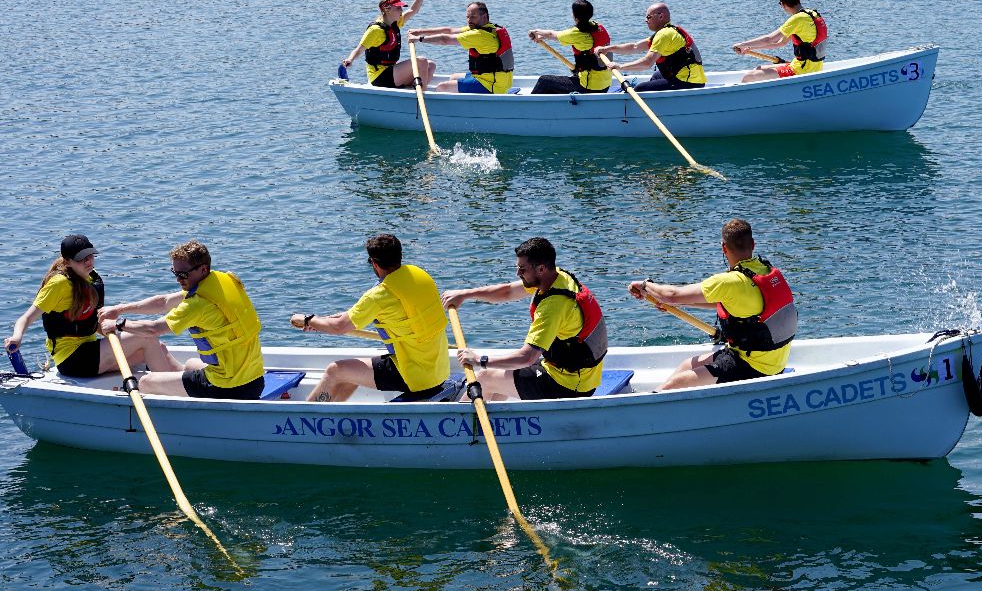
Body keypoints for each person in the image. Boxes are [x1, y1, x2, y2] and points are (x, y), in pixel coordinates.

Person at [628, 219, 797, 391]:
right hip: (769, 360)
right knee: (686, 366)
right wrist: (675, 304)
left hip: (754, 366)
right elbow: (726, 303)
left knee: (675, 384)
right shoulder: (765, 270)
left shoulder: (729, 281)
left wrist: (644, 285)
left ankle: (647, 409)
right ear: (753, 244)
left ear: (724, 248)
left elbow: (672, 295)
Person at [441, 238, 607, 401]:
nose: (518, 273)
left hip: (567, 386)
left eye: (522, 269)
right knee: (502, 374)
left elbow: (527, 358)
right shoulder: (556, 276)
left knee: (485, 376)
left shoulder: (553, 306)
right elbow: (507, 292)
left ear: (541, 268)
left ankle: (456, 425)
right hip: (576, 376)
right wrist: (465, 294)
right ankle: (496, 424)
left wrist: (479, 360)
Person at [291, 235, 451, 402]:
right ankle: (329, 418)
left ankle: (303, 421)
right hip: (437, 368)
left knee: (335, 370)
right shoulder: (418, 275)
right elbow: (353, 316)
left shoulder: (379, 295)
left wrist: (308, 319)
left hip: (414, 375)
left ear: (374, 263)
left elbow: (339, 326)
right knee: (350, 372)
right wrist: (322, 322)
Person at [98, 241, 266, 399]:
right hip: (255, 380)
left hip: (228, 387)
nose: (179, 280)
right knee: (192, 364)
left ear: (203, 269)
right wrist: (119, 309)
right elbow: (163, 302)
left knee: (145, 382)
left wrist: (118, 324)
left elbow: (153, 329)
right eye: (175, 274)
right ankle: (179, 388)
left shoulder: (197, 305)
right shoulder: (220, 283)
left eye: (183, 275)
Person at [6, 235, 180, 378]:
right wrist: (17, 336)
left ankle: (184, 380)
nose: (88, 262)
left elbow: (90, 322)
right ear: (67, 262)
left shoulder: (90, 279)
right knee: (146, 338)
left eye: (90, 256)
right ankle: (168, 390)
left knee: (158, 347)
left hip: (90, 351)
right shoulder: (59, 284)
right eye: (81, 259)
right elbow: (27, 317)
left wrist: (117, 332)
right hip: (73, 359)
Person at [341, 0, 438, 89]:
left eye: (401, 8)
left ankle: (413, 89)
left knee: (430, 66)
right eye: (398, 9)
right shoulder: (375, 30)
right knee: (422, 61)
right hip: (379, 77)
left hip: (392, 72)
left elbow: (413, 10)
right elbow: (359, 49)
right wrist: (350, 59)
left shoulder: (395, 23)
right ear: (387, 10)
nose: (401, 11)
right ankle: (421, 95)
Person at [595, 2, 706, 92]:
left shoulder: (664, 35)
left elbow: (647, 63)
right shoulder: (667, 31)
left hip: (689, 82)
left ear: (661, 16)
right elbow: (634, 47)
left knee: (640, 89)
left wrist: (620, 66)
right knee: (656, 76)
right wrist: (607, 49)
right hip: (687, 77)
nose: (645, 20)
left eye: (648, 17)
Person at [408, 1, 514, 93]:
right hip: (498, 81)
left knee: (442, 87)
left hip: (492, 85)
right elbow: (449, 30)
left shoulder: (480, 35)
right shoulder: (490, 28)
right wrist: (418, 32)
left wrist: (419, 39)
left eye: (473, 17)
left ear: (484, 16)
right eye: (467, 17)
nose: (469, 20)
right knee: (453, 77)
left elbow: (445, 39)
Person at [733, 0, 828, 83]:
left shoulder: (797, 20)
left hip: (801, 71)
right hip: (815, 68)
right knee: (759, 69)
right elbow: (780, 43)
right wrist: (750, 48)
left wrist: (742, 44)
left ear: (782, 4)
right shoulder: (813, 14)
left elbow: (769, 39)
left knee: (748, 77)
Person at [527, 0, 613, 95]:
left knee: (544, 81)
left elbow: (552, 34)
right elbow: (556, 35)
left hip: (590, 87)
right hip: (605, 84)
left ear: (575, 16)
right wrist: (542, 36)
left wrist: (535, 31)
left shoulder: (577, 33)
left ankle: (528, 107)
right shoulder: (599, 27)